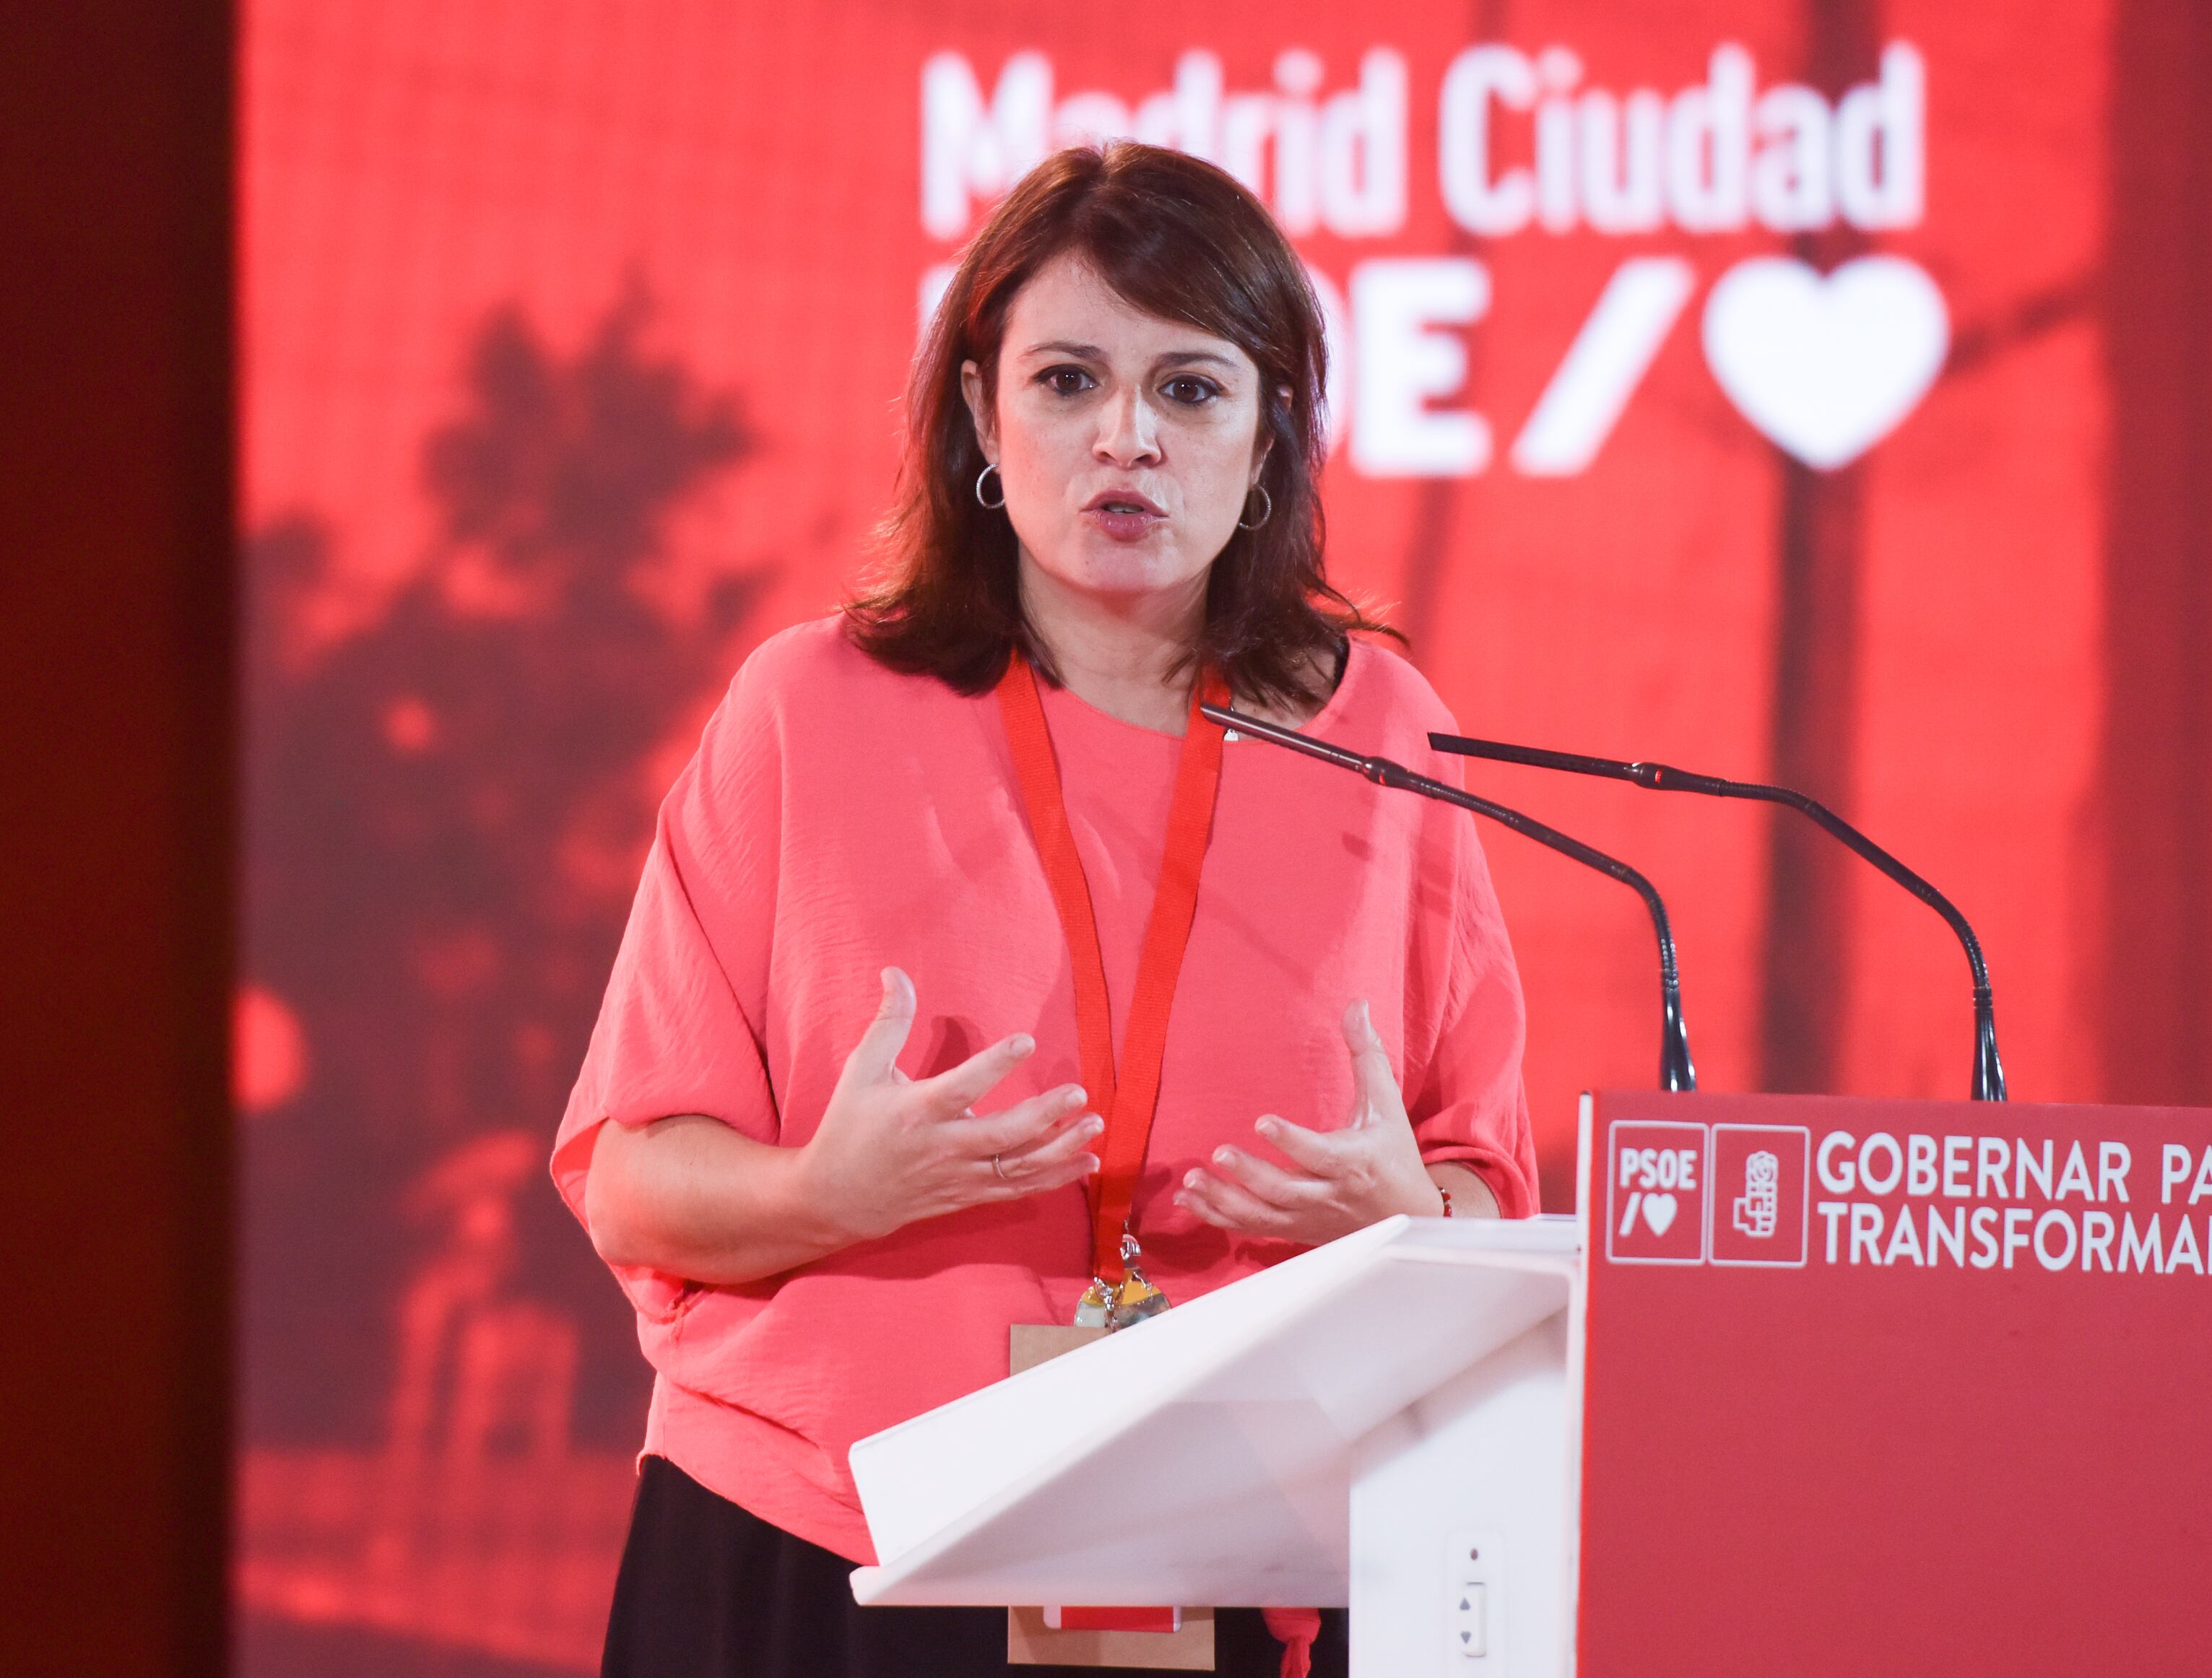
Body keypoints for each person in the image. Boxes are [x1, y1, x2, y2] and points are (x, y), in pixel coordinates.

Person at [552, 141, 1537, 1678]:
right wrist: (830, 1192)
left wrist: (1405, 1222)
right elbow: (631, 1182)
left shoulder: (1382, 735)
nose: (1126, 440)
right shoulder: (806, 710)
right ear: (979, 418)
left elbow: (1486, 1196)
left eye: (1190, 389)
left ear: (1273, 429)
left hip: (1253, 1539)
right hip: (827, 1541)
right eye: (1069, 380)